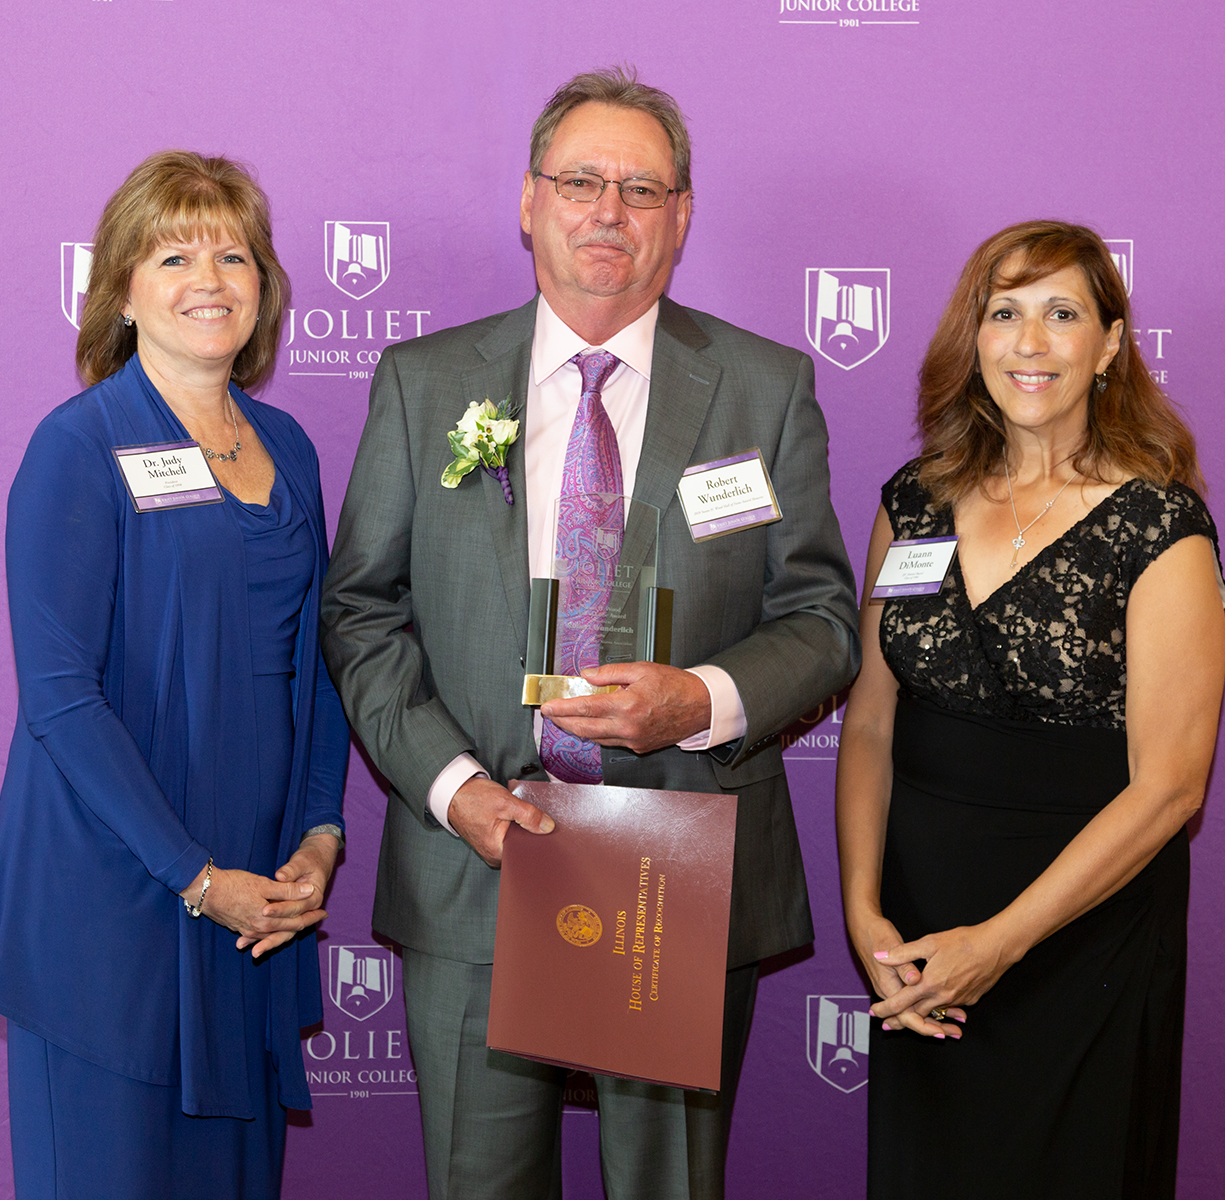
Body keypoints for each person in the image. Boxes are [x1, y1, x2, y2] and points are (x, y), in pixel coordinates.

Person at [322, 67, 859, 1200]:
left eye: (643, 188)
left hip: (677, 868)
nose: (609, 211)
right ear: (529, 201)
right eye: (581, 181)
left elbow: (819, 618)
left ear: (682, 215)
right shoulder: (424, 386)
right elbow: (362, 610)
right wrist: (455, 787)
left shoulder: (765, 389)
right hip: (481, 853)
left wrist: (698, 698)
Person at [0, 151, 350, 1200]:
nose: (210, 277)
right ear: (121, 291)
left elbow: (317, 663)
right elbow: (59, 696)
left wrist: (321, 834)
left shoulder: (293, 448)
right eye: (174, 252)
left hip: (256, 902)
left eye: (234, 252)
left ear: (265, 284)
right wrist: (192, 878)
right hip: (117, 895)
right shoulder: (77, 445)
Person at [835, 220, 1225, 1198]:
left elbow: (1172, 788)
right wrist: (863, 912)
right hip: (924, 946)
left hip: (1079, 943)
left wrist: (1000, 944)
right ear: (973, 341)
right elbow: (874, 720)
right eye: (1004, 313)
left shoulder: (1159, 524)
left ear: (1110, 345)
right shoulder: (911, 502)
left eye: (1062, 314)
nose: (1031, 341)